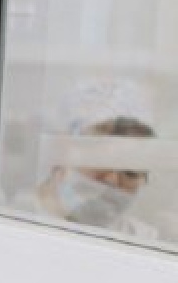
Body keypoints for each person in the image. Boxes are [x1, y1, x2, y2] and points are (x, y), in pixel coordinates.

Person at [10, 77, 162, 240]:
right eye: (100, 160)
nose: (112, 180)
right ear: (62, 152)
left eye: (130, 171)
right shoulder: (15, 221)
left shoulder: (143, 239)